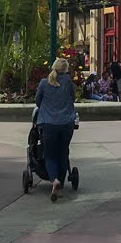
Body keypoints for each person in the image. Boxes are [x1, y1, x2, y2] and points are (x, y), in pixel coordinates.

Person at [34, 58, 77, 202]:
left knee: (50, 154)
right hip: (66, 122)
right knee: (63, 153)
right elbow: (73, 98)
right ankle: (61, 184)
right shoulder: (68, 82)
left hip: (48, 122)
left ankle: (54, 180)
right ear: (65, 69)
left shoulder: (44, 83)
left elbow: (38, 101)